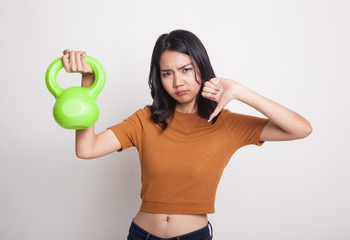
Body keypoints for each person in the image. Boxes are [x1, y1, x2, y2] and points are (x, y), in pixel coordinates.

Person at [61, 29, 312, 240]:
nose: (178, 82)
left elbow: (301, 129)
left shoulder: (226, 123)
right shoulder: (145, 120)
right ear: (159, 78)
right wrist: (86, 90)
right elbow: (87, 149)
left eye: (186, 69)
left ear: (201, 69)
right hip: (142, 235)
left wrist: (240, 91)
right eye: (167, 73)